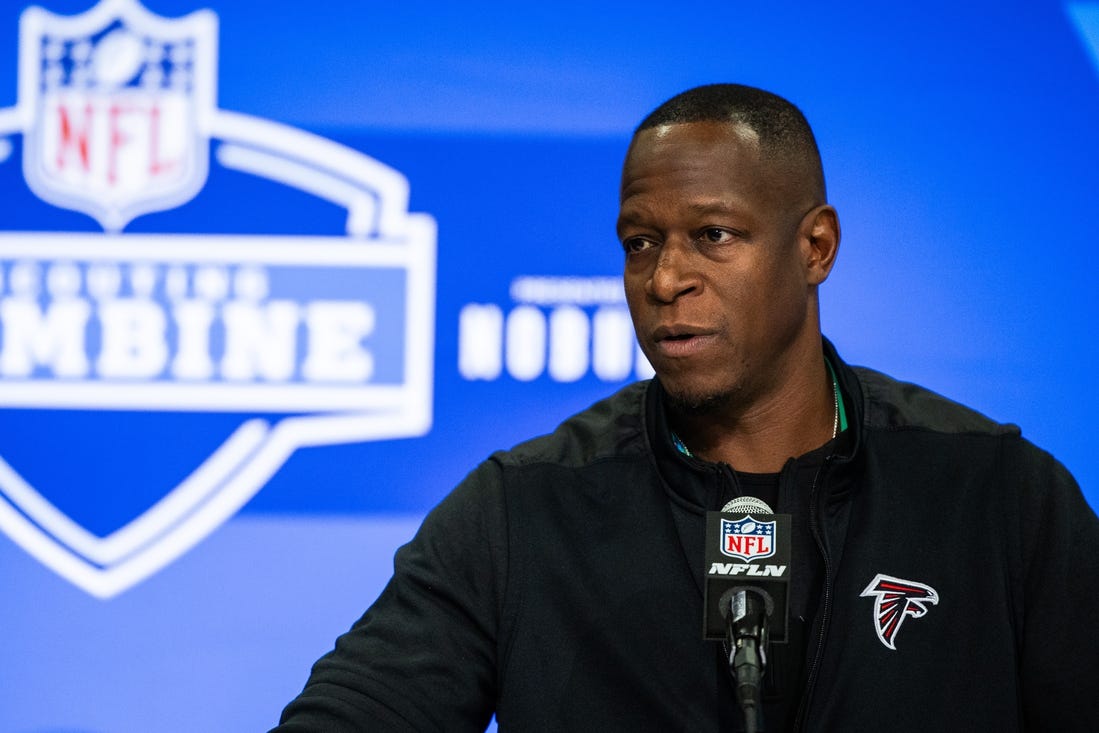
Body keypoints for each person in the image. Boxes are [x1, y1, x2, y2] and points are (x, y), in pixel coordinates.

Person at [272, 84, 1099, 732]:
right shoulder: (524, 508)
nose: (665, 279)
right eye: (640, 242)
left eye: (712, 235)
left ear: (815, 248)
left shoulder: (994, 494)